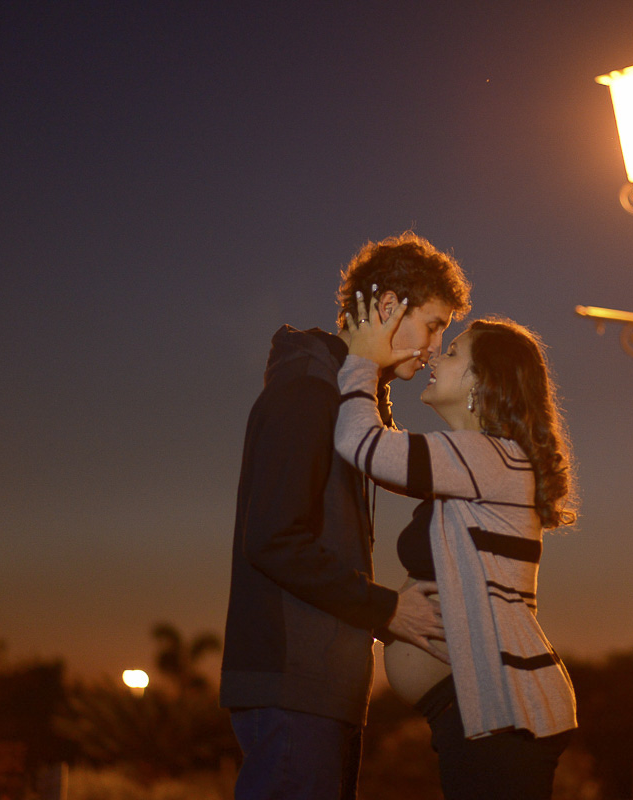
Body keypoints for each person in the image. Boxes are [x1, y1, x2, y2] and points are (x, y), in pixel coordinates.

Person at [220, 232, 471, 800]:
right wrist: (389, 610)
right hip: (293, 684)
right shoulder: (307, 393)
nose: (434, 346)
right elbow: (273, 539)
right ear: (388, 308)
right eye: (433, 325)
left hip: (316, 686)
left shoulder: (336, 398)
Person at [334, 292, 578, 800]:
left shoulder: (485, 458)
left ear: (479, 384)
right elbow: (392, 454)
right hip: (484, 715)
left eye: (452, 353)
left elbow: (361, 444)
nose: (434, 356)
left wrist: (362, 358)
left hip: (504, 716)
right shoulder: (480, 465)